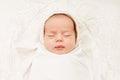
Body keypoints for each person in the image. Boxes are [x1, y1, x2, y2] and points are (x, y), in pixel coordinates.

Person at [27, 13, 93, 80]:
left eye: (66, 35)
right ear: (43, 38)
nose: (59, 39)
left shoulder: (82, 56)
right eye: (51, 35)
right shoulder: (38, 55)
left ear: (76, 38)